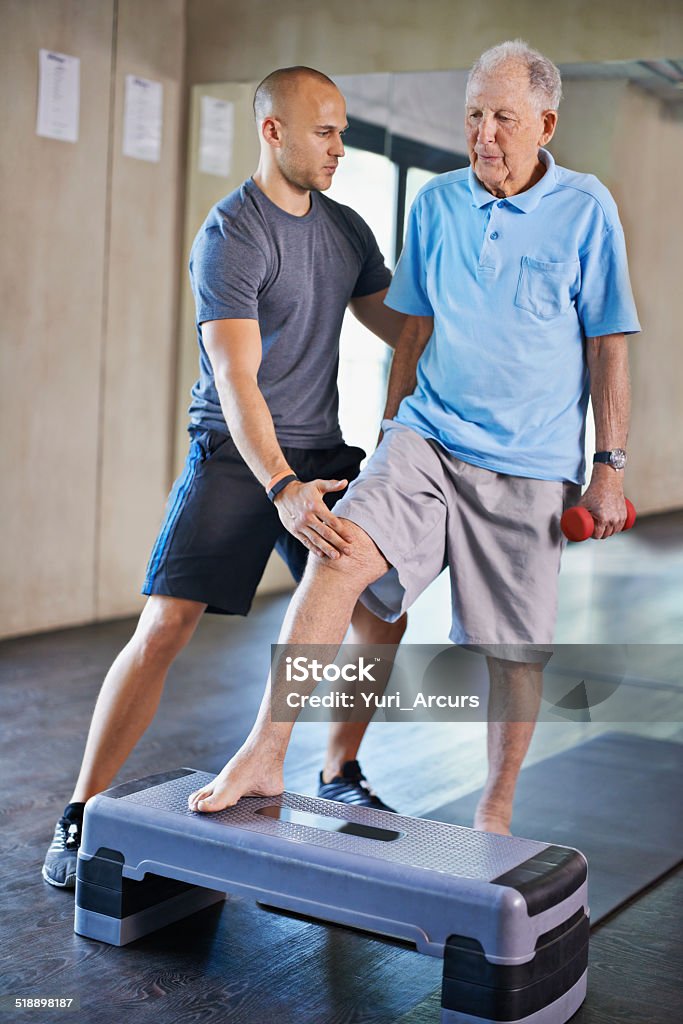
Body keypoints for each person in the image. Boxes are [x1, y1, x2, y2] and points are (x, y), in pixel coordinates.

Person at [185, 40, 641, 835]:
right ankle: (265, 749)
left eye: (503, 117)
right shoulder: (433, 204)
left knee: (514, 653)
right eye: (473, 115)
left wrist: (608, 467)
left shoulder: (586, 208)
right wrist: (393, 426)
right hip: (427, 437)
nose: (484, 134)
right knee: (339, 556)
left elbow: (607, 342)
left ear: (544, 123)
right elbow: (413, 331)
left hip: (529, 464)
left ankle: (494, 811)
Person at [42, 66, 408, 888]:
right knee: (167, 624)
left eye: (342, 130)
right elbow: (236, 379)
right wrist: (281, 486)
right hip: (240, 458)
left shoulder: (346, 231)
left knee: (383, 617)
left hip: (323, 453)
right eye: (324, 131)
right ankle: (80, 813)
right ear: (272, 131)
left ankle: (337, 772)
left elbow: (404, 326)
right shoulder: (232, 234)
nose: (339, 147)